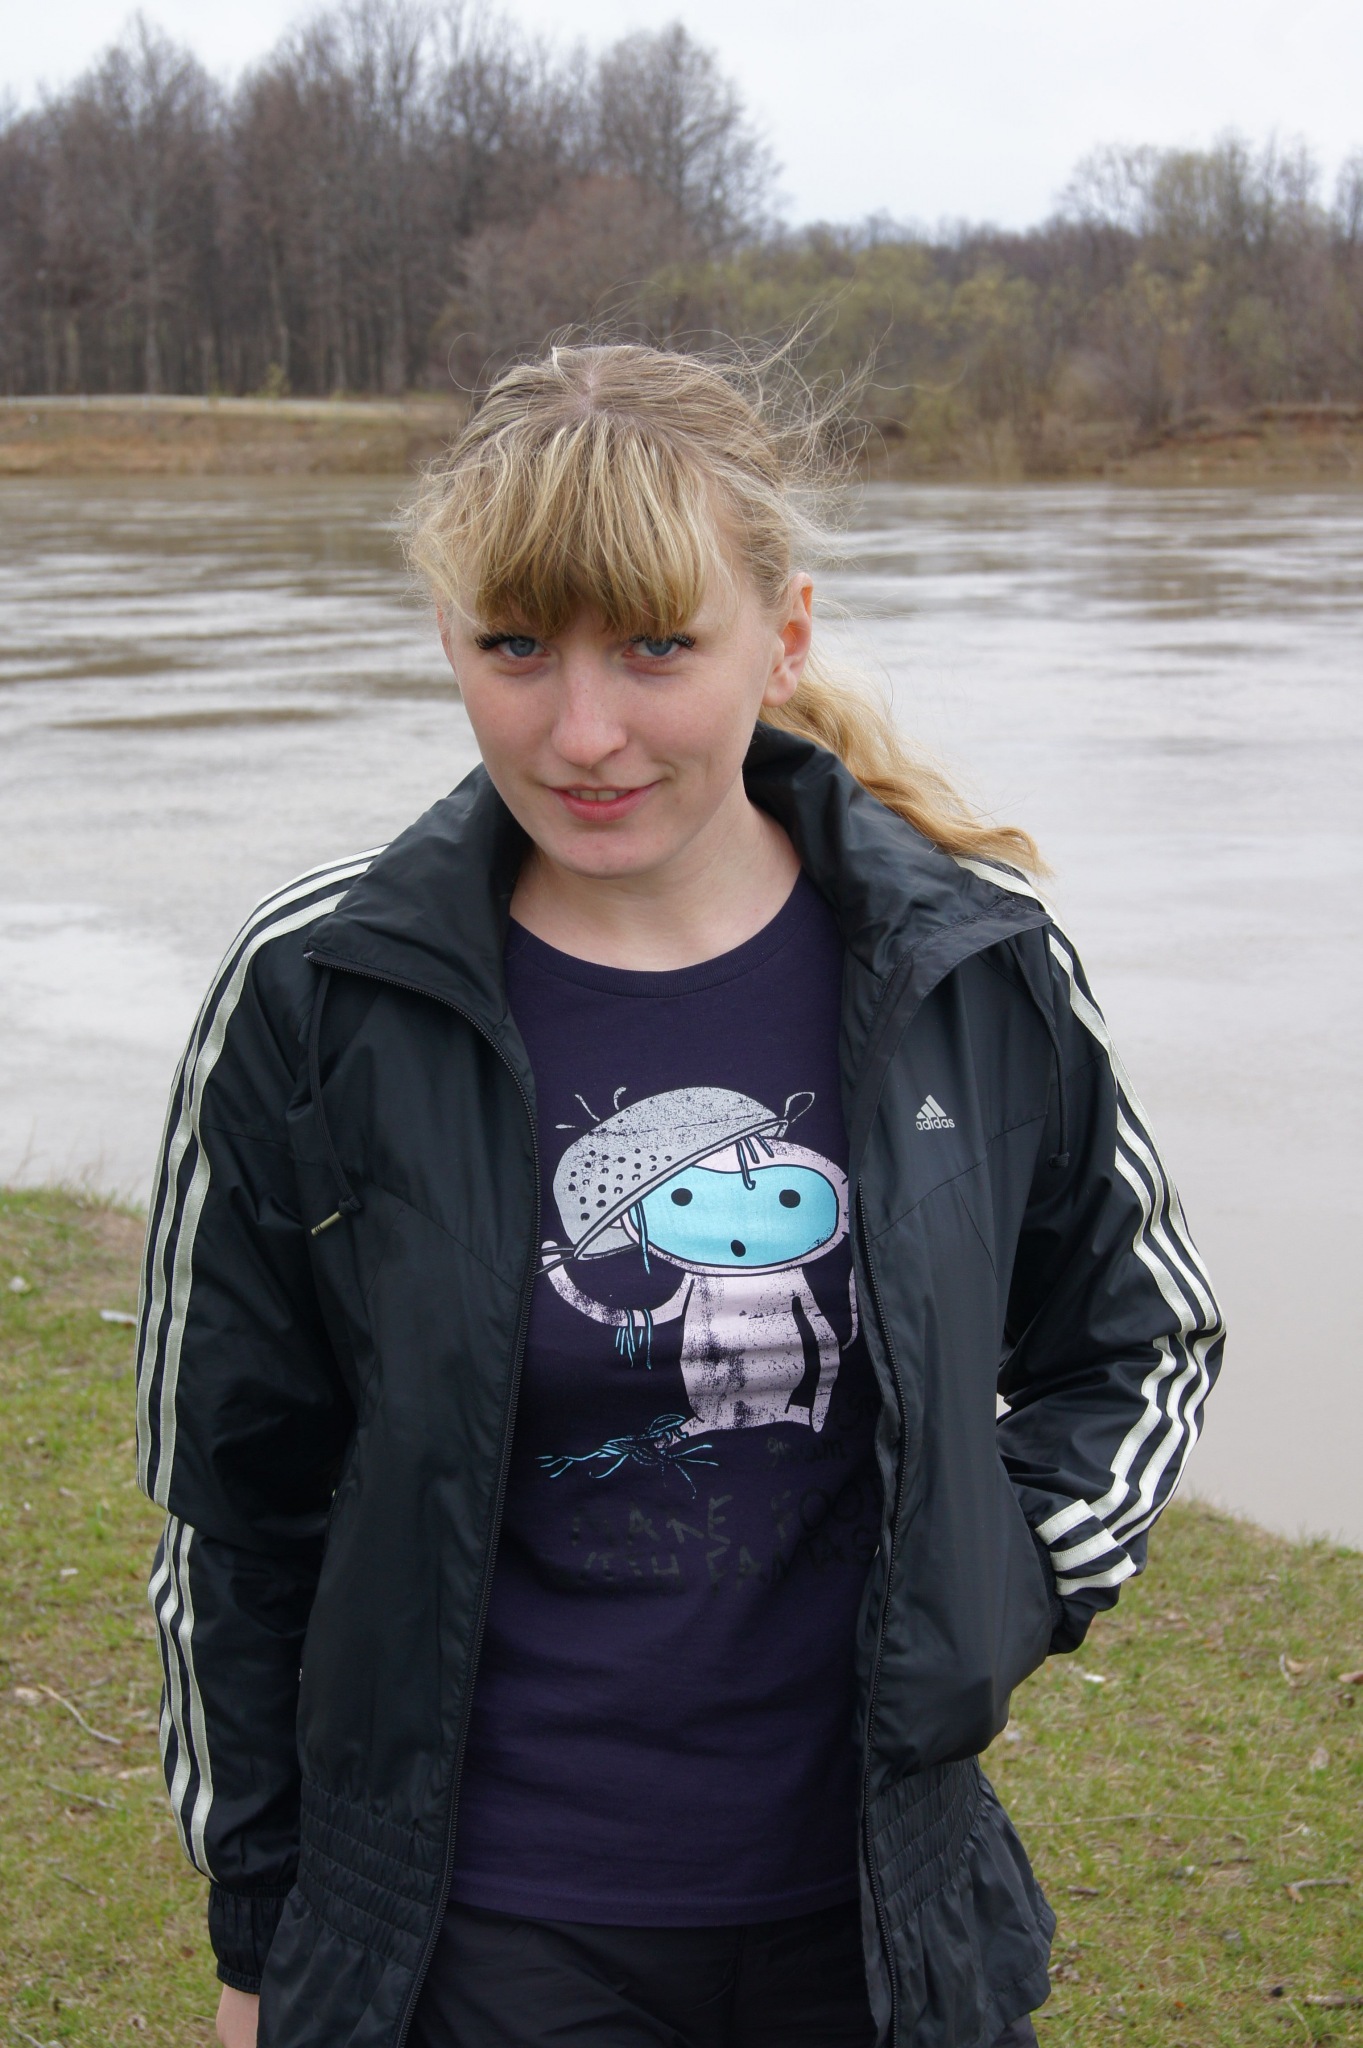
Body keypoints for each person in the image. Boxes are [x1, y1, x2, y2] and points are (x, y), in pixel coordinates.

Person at [134, 343, 1224, 2048]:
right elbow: (233, 1510)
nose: (584, 733)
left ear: (782, 637)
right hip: (473, 1941)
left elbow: (1143, 1339)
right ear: (449, 639)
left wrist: (999, 1579)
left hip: (878, 1916)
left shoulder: (969, 964)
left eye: (657, 646)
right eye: (516, 646)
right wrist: (264, 1934)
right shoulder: (318, 992)